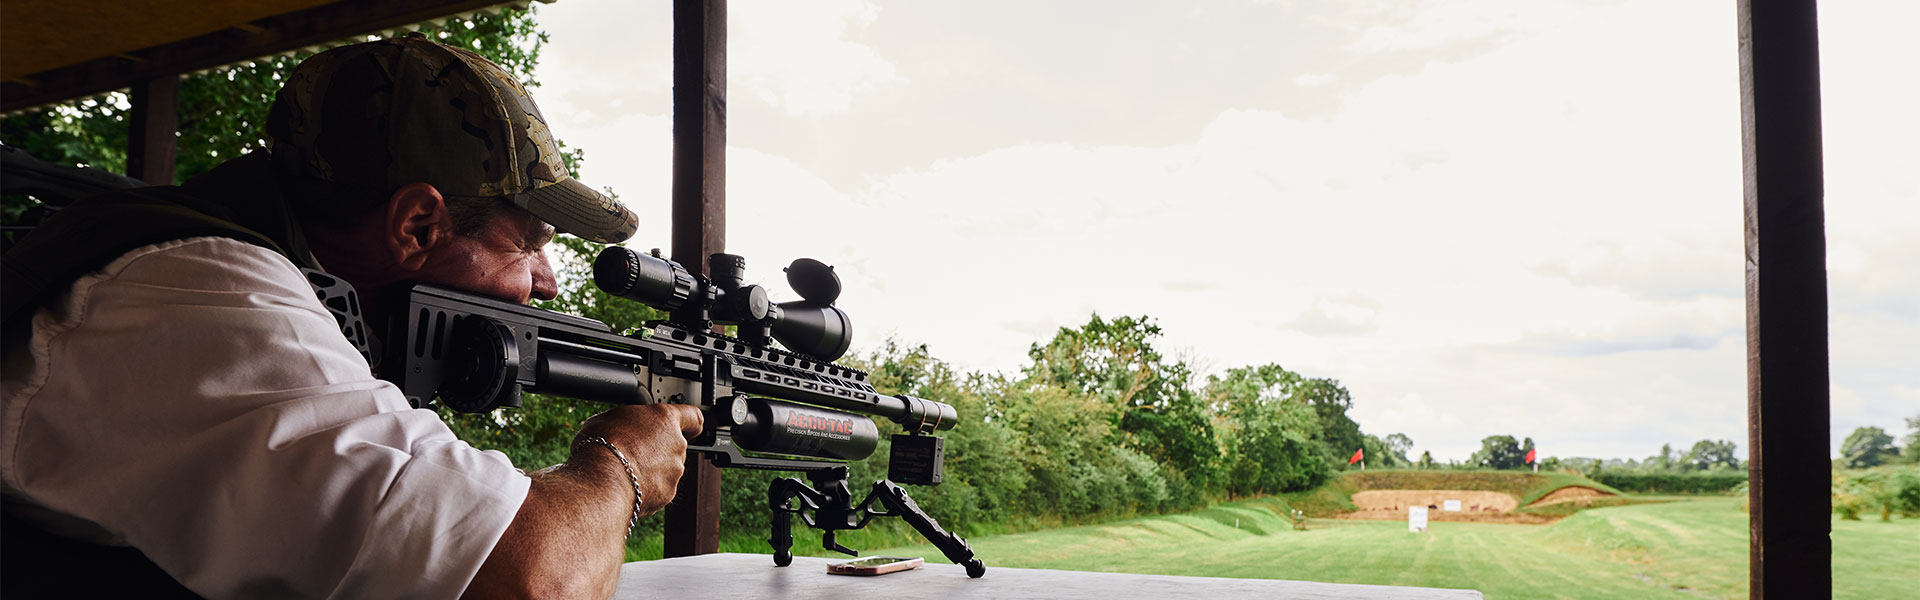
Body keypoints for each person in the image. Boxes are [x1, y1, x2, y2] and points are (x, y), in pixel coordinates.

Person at [0, 35, 702, 598]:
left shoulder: (241, 276)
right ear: (417, 225)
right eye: (528, 245)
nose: (545, 284)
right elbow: (530, 582)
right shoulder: (208, 288)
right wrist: (619, 463)